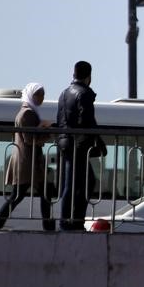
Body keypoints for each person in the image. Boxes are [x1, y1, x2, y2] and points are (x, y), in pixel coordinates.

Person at [0, 83, 55, 231]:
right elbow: (29, 138)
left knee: (43, 193)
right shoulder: (28, 113)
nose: (42, 98)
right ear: (31, 95)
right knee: (18, 196)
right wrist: (49, 132)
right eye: (38, 94)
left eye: (43, 94)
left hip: (29, 161)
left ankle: (47, 225)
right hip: (27, 162)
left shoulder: (28, 111)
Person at [56, 61, 99, 231]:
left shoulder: (64, 93)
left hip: (65, 143)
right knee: (87, 182)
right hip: (79, 144)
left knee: (71, 184)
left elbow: (60, 119)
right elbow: (87, 121)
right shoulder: (84, 94)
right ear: (89, 76)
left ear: (73, 74)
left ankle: (68, 221)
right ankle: (74, 221)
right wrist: (94, 139)